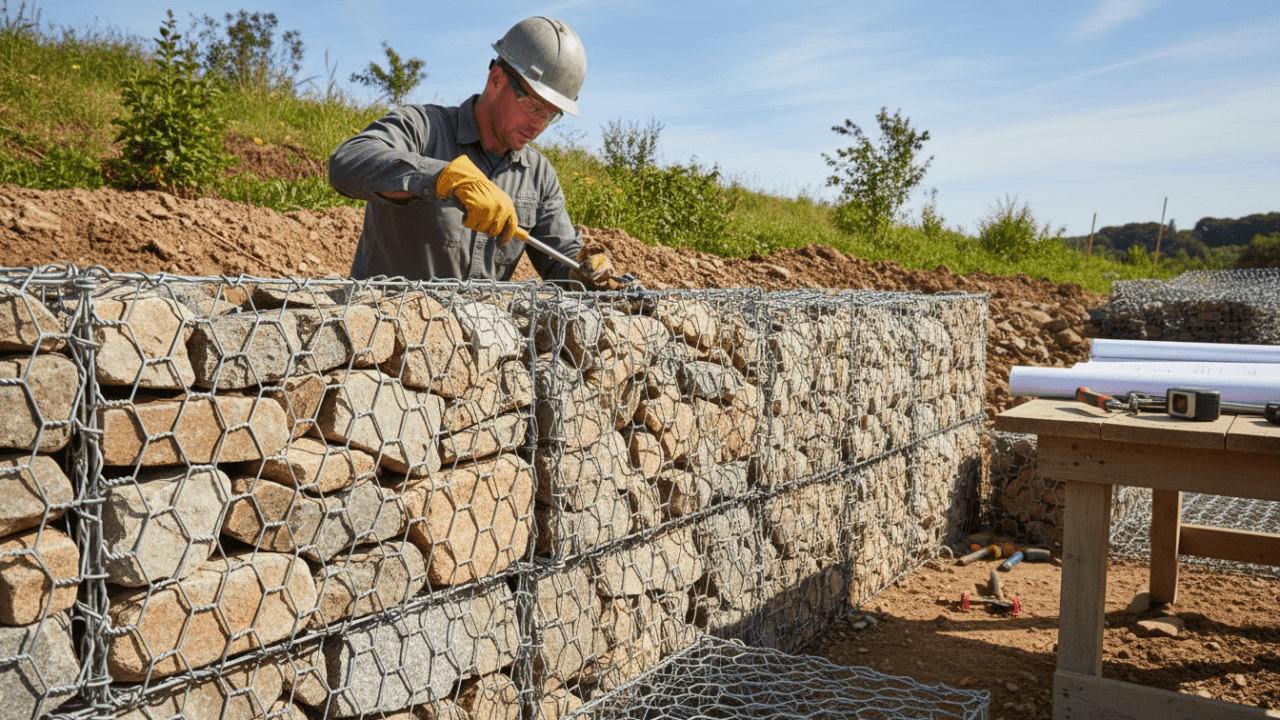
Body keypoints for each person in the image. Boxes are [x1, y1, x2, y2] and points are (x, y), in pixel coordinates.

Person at [329, 16, 619, 288]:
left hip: (474, 339)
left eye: (550, 115)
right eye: (533, 107)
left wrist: (584, 270)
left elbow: (560, 261)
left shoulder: (538, 176)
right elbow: (347, 162)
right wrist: (441, 177)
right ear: (496, 80)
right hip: (386, 331)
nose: (538, 125)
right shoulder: (424, 127)